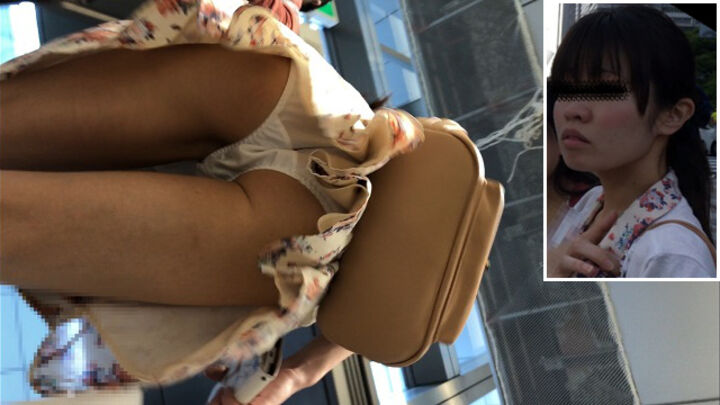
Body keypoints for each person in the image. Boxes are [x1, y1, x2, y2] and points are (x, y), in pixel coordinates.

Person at [0, 0, 443, 403]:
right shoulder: (398, 277)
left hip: (307, 98)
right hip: (311, 234)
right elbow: (406, 295)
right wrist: (292, 375)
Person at [547, 5, 716, 278]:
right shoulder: (591, 202)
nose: (572, 110)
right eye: (565, 88)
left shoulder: (672, 254)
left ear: (673, 115)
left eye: (605, 89)